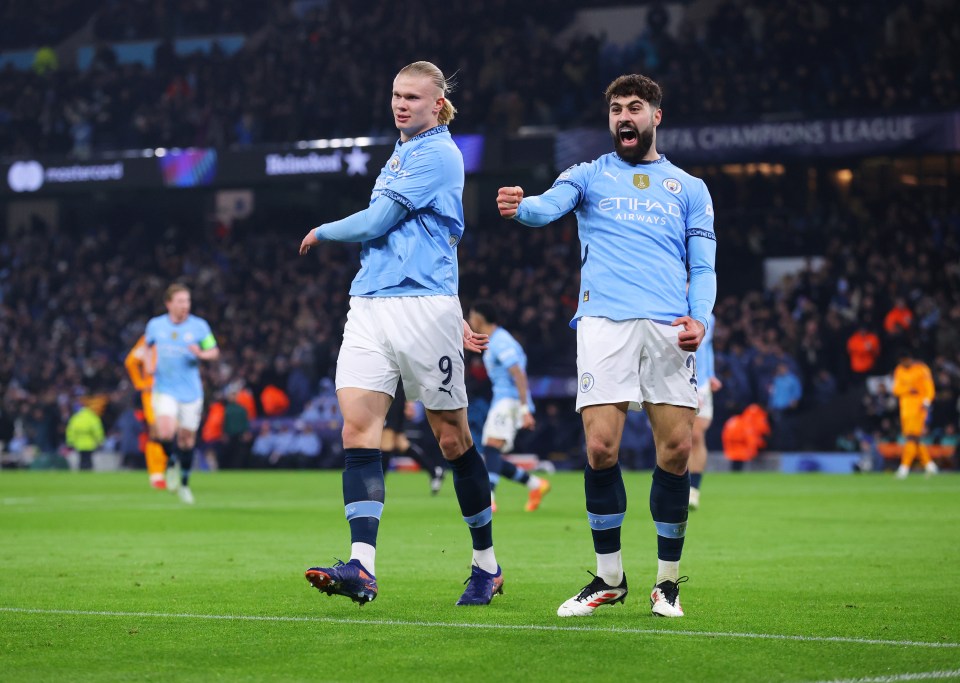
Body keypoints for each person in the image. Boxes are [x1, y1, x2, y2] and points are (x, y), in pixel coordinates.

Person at [496, 73, 716, 618]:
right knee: (600, 449)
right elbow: (548, 206)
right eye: (616, 108)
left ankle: (666, 584)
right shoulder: (589, 174)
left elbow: (703, 265)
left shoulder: (689, 188)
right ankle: (609, 577)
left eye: (635, 107)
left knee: (677, 451)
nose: (624, 116)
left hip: (668, 325)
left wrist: (701, 317)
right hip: (603, 322)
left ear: (655, 117)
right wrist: (522, 205)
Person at [298, 61, 501, 607]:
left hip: (420, 309)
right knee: (358, 430)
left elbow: (375, 222)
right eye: (395, 94)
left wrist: (322, 230)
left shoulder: (438, 152)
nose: (401, 104)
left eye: (413, 96)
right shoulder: (402, 151)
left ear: (438, 104)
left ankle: (487, 564)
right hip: (369, 304)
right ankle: (361, 567)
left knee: (452, 440)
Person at [467, 300, 551, 512]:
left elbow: (519, 375)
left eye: (470, 316)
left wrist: (524, 409)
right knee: (491, 453)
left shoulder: (501, 342)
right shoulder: (495, 340)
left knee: (491, 448)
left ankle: (488, 497)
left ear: (478, 317)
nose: (469, 321)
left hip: (510, 402)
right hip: (503, 400)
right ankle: (535, 484)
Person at [144, 283, 220, 504]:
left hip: (191, 392)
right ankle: (172, 461)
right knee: (165, 431)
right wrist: (149, 364)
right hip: (164, 388)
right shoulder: (155, 326)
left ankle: (184, 485)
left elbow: (214, 351)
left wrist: (201, 354)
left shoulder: (199, 327)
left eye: (187, 301)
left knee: (187, 440)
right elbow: (148, 347)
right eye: (180, 301)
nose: (185, 305)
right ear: (169, 304)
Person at [381, 385, 446, 494]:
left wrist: (408, 400)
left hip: (393, 397)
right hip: (392, 396)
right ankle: (434, 471)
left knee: (386, 440)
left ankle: (380, 483)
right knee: (401, 443)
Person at [124, 335, 169, 489]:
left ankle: (162, 470)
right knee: (158, 431)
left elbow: (130, 362)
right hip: (156, 393)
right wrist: (140, 383)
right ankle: (157, 473)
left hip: (170, 392)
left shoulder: (153, 338)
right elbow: (131, 361)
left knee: (167, 431)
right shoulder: (149, 339)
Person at [689, 313, 720, 511]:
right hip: (674, 378)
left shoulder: (708, 315)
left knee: (697, 434)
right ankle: (676, 486)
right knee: (676, 437)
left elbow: (706, 346)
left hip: (701, 384)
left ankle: (693, 490)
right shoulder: (670, 305)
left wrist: (710, 374)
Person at [892, 351, 938, 478]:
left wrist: (927, 400)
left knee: (911, 437)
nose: (903, 363)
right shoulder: (899, 370)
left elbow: (929, 387)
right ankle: (930, 465)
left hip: (918, 406)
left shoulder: (921, 369)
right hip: (905, 408)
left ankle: (904, 467)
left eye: (904, 361)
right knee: (915, 438)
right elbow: (896, 389)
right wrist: (908, 389)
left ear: (909, 359)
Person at [65, 402, 104, 471]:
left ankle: (82, 472)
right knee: (88, 458)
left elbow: (71, 431)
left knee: (82, 459)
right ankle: (89, 472)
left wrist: (70, 442)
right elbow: (97, 430)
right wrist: (100, 440)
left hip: (79, 443)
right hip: (90, 443)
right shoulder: (92, 417)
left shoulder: (75, 418)